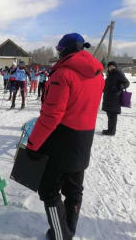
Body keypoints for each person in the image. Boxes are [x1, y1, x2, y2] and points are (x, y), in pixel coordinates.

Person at [26, 33, 104, 240]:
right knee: (74, 189)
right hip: (84, 138)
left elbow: (51, 116)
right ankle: (68, 231)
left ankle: (61, 236)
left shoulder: (64, 74)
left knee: (49, 190)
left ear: (64, 50)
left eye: (59, 50)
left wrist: (33, 145)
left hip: (63, 139)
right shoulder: (97, 74)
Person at [101, 61, 130, 135]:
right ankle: (110, 130)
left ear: (115, 67)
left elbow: (127, 83)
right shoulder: (109, 74)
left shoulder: (118, 73)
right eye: (109, 66)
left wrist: (120, 86)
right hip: (108, 97)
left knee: (113, 115)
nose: (111, 67)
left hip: (115, 98)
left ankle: (111, 131)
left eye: (112, 66)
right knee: (110, 114)